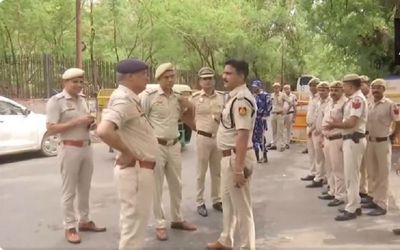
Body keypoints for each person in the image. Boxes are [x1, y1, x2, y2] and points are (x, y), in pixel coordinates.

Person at [96, 59, 158, 250]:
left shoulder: (131, 98)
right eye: (144, 74)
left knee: (132, 224)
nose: (147, 78)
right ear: (130, 77)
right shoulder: (123, 99)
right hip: (136, 170)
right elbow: (104, 130)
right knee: (134, 227)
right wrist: (127, 152)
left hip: (138, 170)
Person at [46, 68, 106, 244]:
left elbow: (84, 123)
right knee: (69, 190)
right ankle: (70, 227)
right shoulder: (56, 101)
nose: (79, 85)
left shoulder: (83, 100)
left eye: (81, 81)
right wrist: (77, 121)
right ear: (65, 83)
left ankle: (85, 220)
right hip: (69, 148)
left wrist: (90, 123)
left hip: (86, 147)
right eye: (75, 81)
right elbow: (50, 128)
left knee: (85, 187)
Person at [140, 62, 197, 241]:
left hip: (174, 144)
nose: (170, 80)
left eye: (172, 76)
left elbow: (188, 116)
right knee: (156, 186)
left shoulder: (178, 97)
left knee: (176, 184)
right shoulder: (148, 96)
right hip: (156, 145)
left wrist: (188, 104)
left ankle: (177, 218)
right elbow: (139, 120)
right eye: (166, 77)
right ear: (159, 79)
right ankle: (160, 223)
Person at [207, 59, 256, 250]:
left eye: (229, 73)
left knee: (242, 208)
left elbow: (242, 134)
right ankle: (226, 240)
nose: (224, 76)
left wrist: (238, 169)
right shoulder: (233, 97)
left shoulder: (242, 99)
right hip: (228, 156)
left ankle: (247, 247)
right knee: (228, 203)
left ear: (241, 76)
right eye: (224, 72)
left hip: (237, 158)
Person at [325, 74, 368, 221]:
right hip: (350, 140)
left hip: (353, 140)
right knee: (352, 176)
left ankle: (351, 208)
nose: (343, 88)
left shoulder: (357, 99)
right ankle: (355, 205)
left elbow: (351, 123)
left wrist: (334, 124)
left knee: (351, 176)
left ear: (351, 85)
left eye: (344, 85)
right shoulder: (353, 99)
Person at [362, 79, 400, 216]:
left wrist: (394, 135)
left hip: (383, 142)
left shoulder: (390, 104)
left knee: (383, 175)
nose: (375, 90)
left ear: (384, 89)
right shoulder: (370, 104)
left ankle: (382, 204)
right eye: (373, 88)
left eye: (378, 88)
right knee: (372, 172)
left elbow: (398, 121)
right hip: (370, 141)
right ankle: (373, 198)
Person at [191, 66, 224, 217]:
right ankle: (199, 202)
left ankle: (217, 200)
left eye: (210, 78)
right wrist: (196, 128)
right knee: (201, 172)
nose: (208, 81)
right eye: (205, 79)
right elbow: (187, 115)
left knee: (217, 172)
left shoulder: (222, 97)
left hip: (217, 137)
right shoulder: (195, 98)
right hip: (203, 138)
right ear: (200, 81)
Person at [319, 81, 347, 206]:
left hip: (337, 138)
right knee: (329, 167)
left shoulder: (345, 103)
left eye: (336, 90)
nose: (333, 92)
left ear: (342, 90)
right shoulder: (330, 102)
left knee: (338, 169)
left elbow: (346, 122)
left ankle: (340, 195)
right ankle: (332, 191)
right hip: (327, 138)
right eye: (332, 90)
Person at [306, 81, 330, 188]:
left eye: (323, 90)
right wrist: (311, 128)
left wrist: (318, 129)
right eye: (320, 90)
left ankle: (320, 177)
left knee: (321, 157)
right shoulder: (318, 100)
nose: (320, 92)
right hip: (313, 128)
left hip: (321, 132)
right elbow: (316, 116)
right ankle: (316, 174)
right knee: (314, 153)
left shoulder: (328, 102)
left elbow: (324, 119)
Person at [301, 78, 320, 181]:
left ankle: (320, 175)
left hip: (315, 127)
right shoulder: (311, 97)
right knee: (311, 152)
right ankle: (313, 172)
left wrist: (313, 128)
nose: (312, 87)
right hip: (309, 126)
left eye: (314, 85)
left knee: (318, 153)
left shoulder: (319, 98)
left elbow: (318, 116)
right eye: (311, 86)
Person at [251, 79, 272, 163]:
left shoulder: (265, 95)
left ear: (259, 86)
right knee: (254, 138)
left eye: (255, 87)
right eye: (253, 87)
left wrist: (265, 115)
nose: (254, 88)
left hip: (261, 119)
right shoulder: (253, 96)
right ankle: (257, 157)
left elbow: (269, 106)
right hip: (254, 120)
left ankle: (264, 156)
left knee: (261, 138)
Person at [359, 75, 372, 201]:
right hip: (361, 135)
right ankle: (362, 190)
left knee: (370, 166)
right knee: (361, 165)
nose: (361, 86)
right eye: (359, 83)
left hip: (371, 136)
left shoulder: (374, 98)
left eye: (363, 83)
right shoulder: (358, 98)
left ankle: (371, 193)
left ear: (369, 84)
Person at [269, 82, 290, 152]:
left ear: (279, 88)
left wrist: (285, 110)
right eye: (274, 87)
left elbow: (289, 102)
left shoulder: (282, 95)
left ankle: (282, 145)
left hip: (280, 114)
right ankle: (274, 144)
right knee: (274, 130)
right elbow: (269, 104)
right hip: (273, 114)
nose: (276, 89)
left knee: (280, 130)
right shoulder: (271, 95)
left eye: (277, 87)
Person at [283, 84, 297, 149]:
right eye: (285, 88)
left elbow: (295, 107)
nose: (286, 90)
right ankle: (281, 142)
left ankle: (287, 143)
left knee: (288, 129)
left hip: (290, 114)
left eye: (288, 88)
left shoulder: (293, 96)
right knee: (281, 129)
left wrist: (294, 117)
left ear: (290, 89)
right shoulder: (282, 96)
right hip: (282, 114)